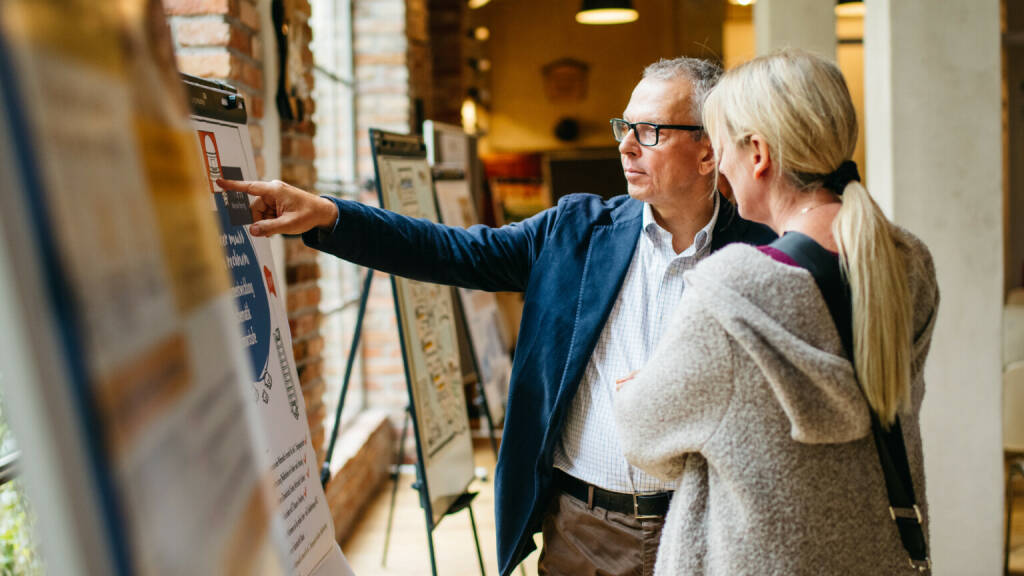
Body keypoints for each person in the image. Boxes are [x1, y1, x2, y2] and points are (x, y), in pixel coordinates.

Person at [217, 56, 775, 576]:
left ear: (709, 151)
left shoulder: (762, 255)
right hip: (584, 532)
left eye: (649, 131)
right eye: (622, 128)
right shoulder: (575, 232)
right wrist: (331, 216)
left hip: (707, 528)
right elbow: (449, 250)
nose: (627, 147)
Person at [613, 49, 940, 575]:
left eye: (722, 151)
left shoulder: (735, 290)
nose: (721, 171)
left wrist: (646, 384)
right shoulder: (907, 264)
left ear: (758, 154)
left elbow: (643, 438)